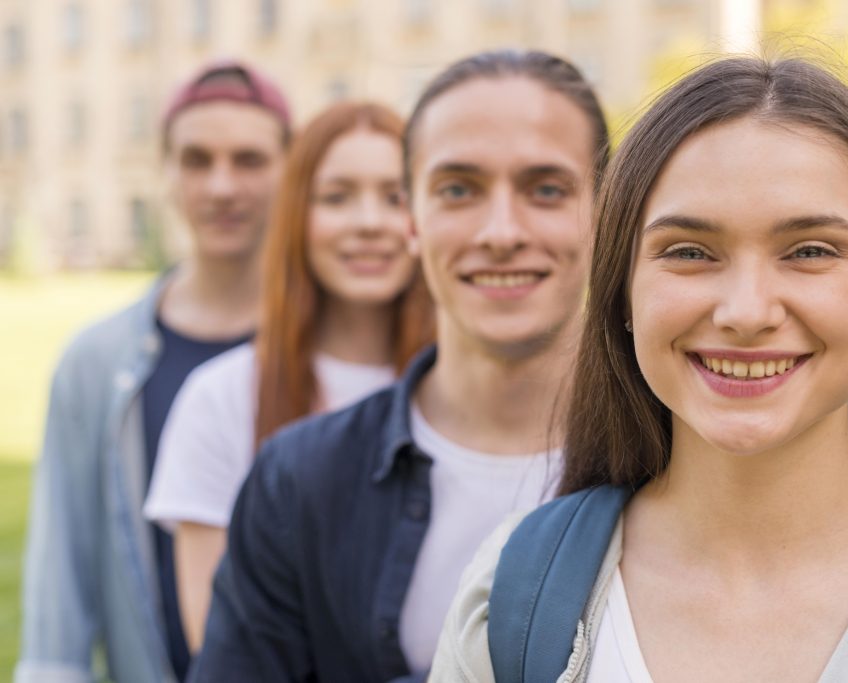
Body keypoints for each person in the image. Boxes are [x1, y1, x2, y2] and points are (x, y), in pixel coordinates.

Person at [430, 56, 848, 681]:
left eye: (809, 251)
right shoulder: (509, 594)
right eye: (689, 252)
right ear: (623, 289)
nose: (746, 312)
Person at [188, 49, 609, 682]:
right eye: (458, 189)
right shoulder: (298, 482)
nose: (500, 231)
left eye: (545, 189)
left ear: (608, 211)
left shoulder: (681, 462)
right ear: (411, 218)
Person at [17, 62, 290, 683]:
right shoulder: (95, 363)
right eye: (196, 160)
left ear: (290, 171)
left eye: (249, 160)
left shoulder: (338, 352)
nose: (222, 186)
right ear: (165, 172)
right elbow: (60, 584)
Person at [143, 101, 434, 653]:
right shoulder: (221, 398)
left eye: (394, 196)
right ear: (295, 216)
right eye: (336, 197)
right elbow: (221, 642)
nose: (369, 222)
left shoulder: (471, 395)